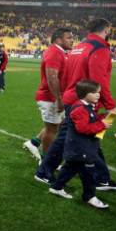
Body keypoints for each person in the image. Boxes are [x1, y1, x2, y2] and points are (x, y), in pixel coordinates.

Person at [35, 18, 116, 191]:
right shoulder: (99, 49)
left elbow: (67, 76)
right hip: (84, 102)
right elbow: (98, 82)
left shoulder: (78, 48)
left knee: (88, 140)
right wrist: (109, 104)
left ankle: (100, 178)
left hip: (72, 98)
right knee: (72, 140)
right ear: (106, 30)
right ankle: (45, 172)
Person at [48, 80, 112, 209]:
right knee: (89, 173)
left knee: (70, 168)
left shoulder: (87, 106)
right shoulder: (79, 108)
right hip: (81, 148)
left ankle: (56, 187)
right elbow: (83, 128)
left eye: (98, 92)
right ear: (84, 94)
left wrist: (101, 118)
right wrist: (102, 125)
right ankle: (90, 196)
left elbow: (89, 120)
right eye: (94, 93)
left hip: (80, 147)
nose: (98, 95)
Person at [23, 28, 74, 162]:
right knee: (51, 128)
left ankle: (33, 143)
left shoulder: (60, 52)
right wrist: (58, 99)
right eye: (69, 37)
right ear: (58, 39)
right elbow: (52, 77)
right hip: (50, 97)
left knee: (58, 125)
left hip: (54, 96)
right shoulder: (55, 52)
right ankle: (46, 161)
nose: (72, 40)